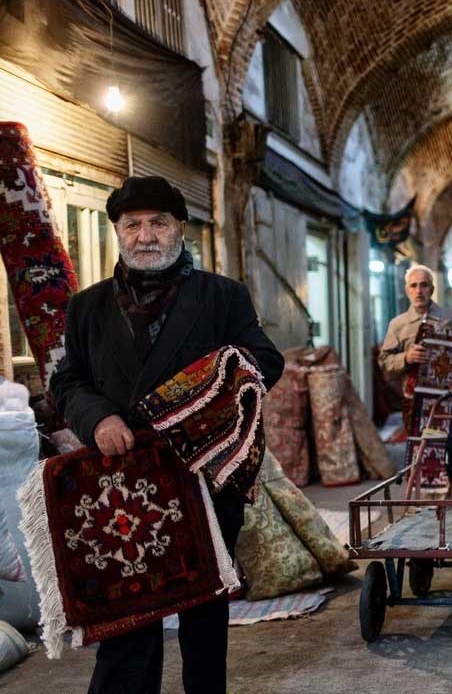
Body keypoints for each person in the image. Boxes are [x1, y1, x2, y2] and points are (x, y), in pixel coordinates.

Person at [49, 175, 284, 694]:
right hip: (121, 481)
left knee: (203, 613)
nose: (145, 235)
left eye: (158, 222)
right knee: (129, 609)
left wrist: (194, 401)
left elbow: (264, 360)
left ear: (179, 228)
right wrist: (99, 420)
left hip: (201, 477)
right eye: (132, 225)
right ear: (118, 232)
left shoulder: (222, 296)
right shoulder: (86, 307)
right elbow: (67, 380)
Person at [378, 263, 452, 384]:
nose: (419, 291)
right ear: (407, 291)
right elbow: (384, 361)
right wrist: (406, 357)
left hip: (446, 395)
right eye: (413, 286)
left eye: (424, 285)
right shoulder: (397, 324)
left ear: (432, 289)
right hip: (410, 398)